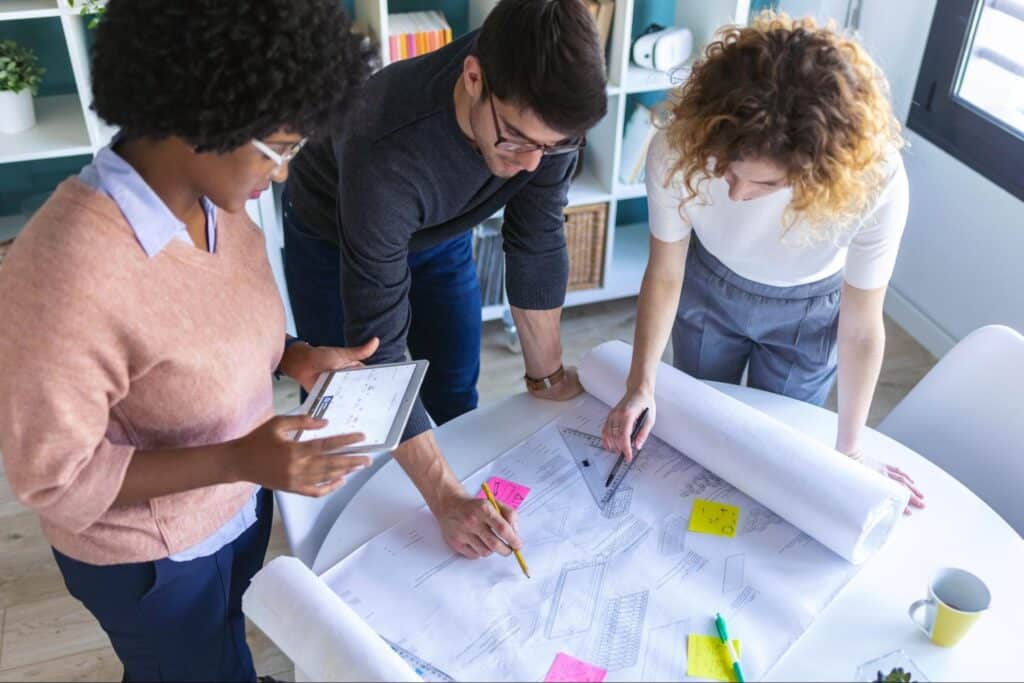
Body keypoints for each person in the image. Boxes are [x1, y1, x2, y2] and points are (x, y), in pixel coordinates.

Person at [0, 1, 376, 680]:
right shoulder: (63, 276)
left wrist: (293, 356)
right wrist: (238, 458)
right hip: (150, 559)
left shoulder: (216, 206)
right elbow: (53, 478)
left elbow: (202, 326)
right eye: (280, 148)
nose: (285, 172)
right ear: (206, 117)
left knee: (224, 638)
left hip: (237, 505)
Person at [282, 0, 608, 558]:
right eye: (518, 140)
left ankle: (457, 499)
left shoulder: (539, 104)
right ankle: (349, 535)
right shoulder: (384, 148)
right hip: (334, 237)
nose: (534, 164)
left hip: (440, 228)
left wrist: (546, 377)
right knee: (352, 415)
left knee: (454, 384)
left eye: (552, 146)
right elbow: (380, 357)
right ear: (473, 78)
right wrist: (445, 499)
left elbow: (536, 238)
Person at [602, 13, 925, 511]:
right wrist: (639, 385)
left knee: (780, 445)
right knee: (705, 426)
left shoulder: (876, 179)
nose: (735, 191)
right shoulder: (678, 142)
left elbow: (861, 327)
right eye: (728, 170)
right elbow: (666, 271)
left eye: (766, 184)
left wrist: (851, 451)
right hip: (706, 285)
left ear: (818, 172)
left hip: (810, 311)